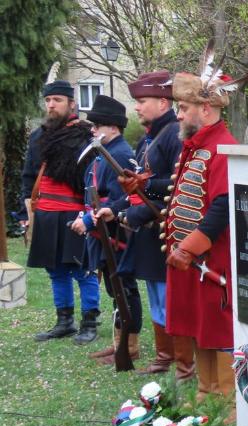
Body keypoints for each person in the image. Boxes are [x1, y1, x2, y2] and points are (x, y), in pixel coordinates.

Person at [97, 70, 194, 379]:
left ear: (163, 103)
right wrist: (116, 209)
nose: (137, 107)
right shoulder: (149, 138)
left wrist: (144, 190)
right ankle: (165, 355)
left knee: (169, 297)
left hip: (167, 230)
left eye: (142, 101)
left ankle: (182, 361)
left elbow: (179, 185)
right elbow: (138, 189)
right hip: (150, 232)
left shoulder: (174, 134)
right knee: (156, 294)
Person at [165, 69, 235, 404]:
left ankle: (226, 397)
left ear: (205, 109)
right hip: (192, 261)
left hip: (211, 259)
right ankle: (206, 392)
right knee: (198, 324)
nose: (178, 115)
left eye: (183, 107)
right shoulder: (195, 146)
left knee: (217, 325)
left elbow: (222, 205)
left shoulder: (223, 147)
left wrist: (189, 249)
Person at [22, 80, 100, 343]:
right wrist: (27, 213)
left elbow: (92, 179)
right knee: (55, 270)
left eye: (57, 100)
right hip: (45, 212)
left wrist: (87, 215)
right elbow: (29, 176)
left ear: (72, 104)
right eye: (48, 100)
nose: (51, 105)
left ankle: (89, 321)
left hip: (74, 212)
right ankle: (64, 321)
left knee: (82, 269)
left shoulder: (85, 136)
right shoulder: (38, 136)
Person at [70, 95, 141, 350]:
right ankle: (120, 342)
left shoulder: (119, 154)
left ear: (113, 127)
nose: (93, 130)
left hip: (115, 232)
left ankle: (129, 345)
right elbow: (94, 192)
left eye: (98, 125)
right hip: (103, 232)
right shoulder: (105, 152)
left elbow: (120, 199)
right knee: (115, 288)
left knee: (124, 288)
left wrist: (89, 220)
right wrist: (84, 215)